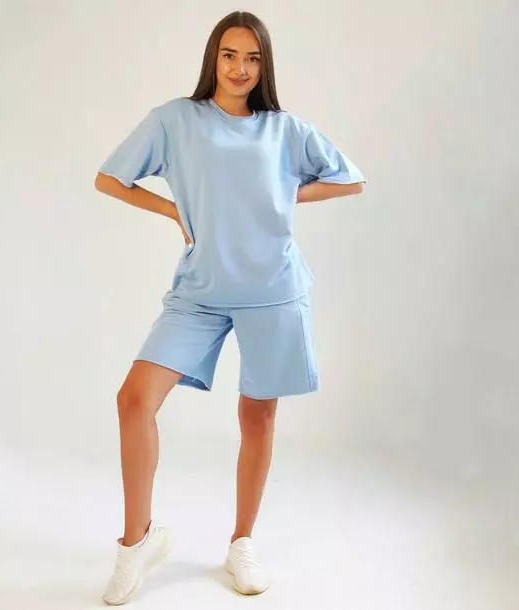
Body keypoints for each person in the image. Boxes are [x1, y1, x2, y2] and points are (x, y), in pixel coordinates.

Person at [94, 10, 365, 605]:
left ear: (265, 66)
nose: (240, 68)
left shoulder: (285, 129)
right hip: (200, 291)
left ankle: (242, 541)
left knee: (257, 417)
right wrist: (173, 210)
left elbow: (351, 180)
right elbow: (110, 179)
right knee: (134, 400)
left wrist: (285, 194)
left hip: (272, 288)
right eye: (229, 55)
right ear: (212, 59)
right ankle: (136, 542)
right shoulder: (175, 121)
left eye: (253, 58)